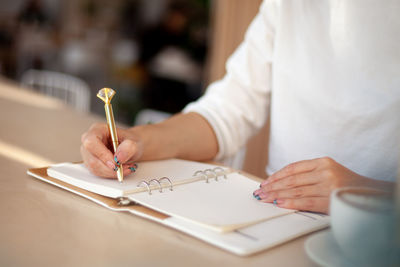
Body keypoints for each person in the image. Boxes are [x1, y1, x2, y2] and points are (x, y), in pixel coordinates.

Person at [81, 0, 399, 214]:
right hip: (276, 221)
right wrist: (135, 140)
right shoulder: (284, 6)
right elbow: (228, 110)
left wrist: (373, 192)